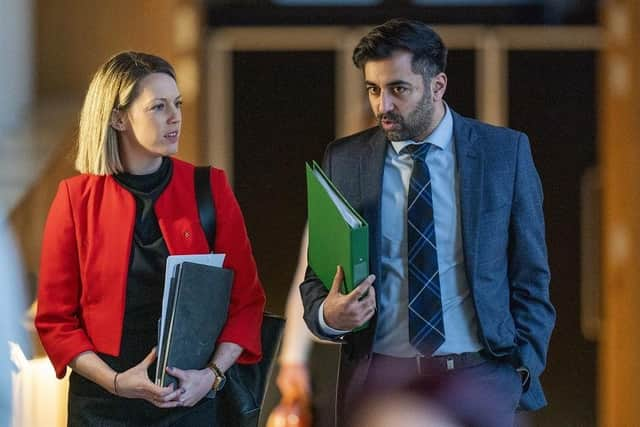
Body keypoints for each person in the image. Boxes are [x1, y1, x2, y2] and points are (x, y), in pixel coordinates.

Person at [300, 19, 555, 427]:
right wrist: (329, 316)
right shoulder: (345, 160)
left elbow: (532, 275)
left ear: (437, 86)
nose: (382, 105)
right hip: (379, 380)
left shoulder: (503, 154)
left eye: (398, 89)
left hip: (480, 377)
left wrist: (519, 371)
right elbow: (316, 278)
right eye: (373, 89)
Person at [35, 51, 265, 426]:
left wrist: (211, 376)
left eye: (177, 104)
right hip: (103, 404)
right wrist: (116, 382)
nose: (175, 117)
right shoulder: (75, 199)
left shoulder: (210, 189)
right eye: (158, 107)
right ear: (118, 118)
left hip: (190, 397)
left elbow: (247, 303)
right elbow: (56, 321)